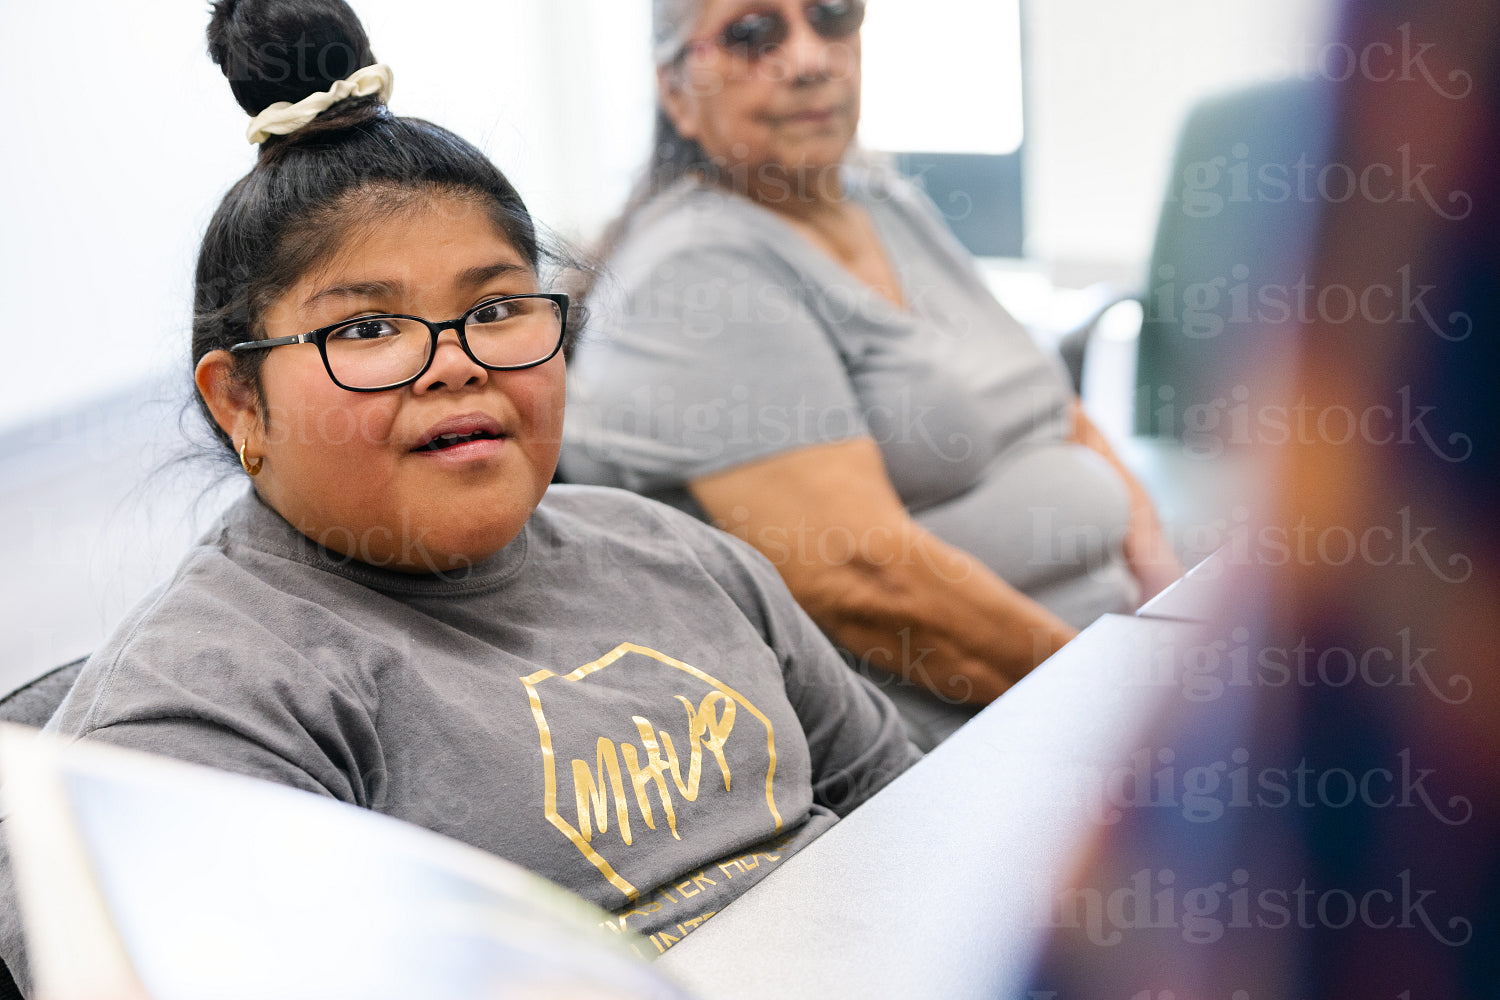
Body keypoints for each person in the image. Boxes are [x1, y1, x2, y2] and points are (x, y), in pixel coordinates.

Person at [0, 1, 919, 992]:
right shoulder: (205, 705)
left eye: (497, 309)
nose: (455, 364)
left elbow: (918, 824)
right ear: (241, 405)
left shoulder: (680, 554)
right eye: (366, 331)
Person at [559, 0, 1183, 747]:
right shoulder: (695, 278)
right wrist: (1129, 708)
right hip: (959, 731)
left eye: (830, 15)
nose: (809, 57)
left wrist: (1167, 594)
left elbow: (1053, 409)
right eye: (753, 33)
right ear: (676, 91)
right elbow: (867, 580)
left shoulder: (881, 199)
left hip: (1102, 661)